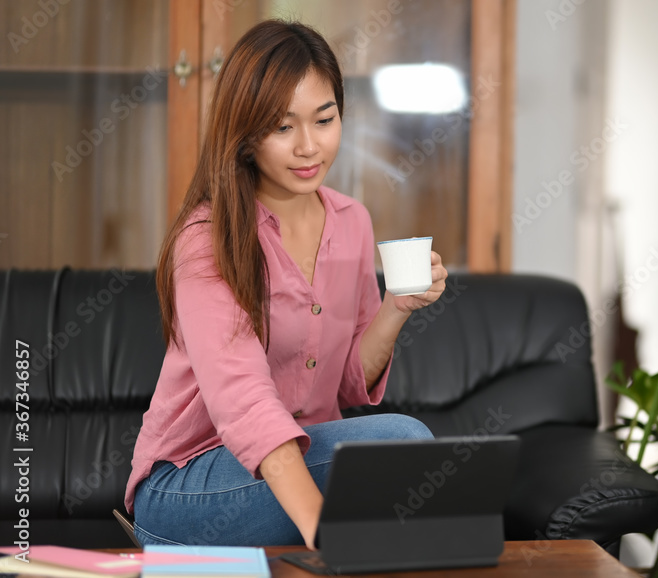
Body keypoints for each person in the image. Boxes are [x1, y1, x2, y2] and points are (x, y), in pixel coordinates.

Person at [124, 20, 447, 549]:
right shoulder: (207, 238)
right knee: (404, 442)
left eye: (325, 119)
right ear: (245, 135)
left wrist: (396, 307)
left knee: (406, 457)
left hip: (302, 461)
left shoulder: (353, 222)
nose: (308, 147)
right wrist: (325, 531)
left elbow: (346, 384)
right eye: (282, 128)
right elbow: (245, 403)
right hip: (189, 485)